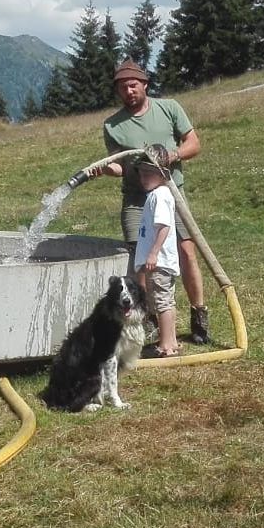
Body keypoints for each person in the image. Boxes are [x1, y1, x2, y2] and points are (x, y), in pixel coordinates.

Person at [95, 59, 211, 345]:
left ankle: (199, 315)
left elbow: (194, 144)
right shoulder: (112, 125)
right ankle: (152, 321)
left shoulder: (169, 108)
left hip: (171, 193)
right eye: (123, 88)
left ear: (145, 85)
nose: (129, 91)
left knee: (187, 252)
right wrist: (107, 169)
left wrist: (171, 156)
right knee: (140, 260)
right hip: (136, 199)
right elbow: (120, 166)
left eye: (133, 85)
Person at [133, 153, 180, 356]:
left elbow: (163, 226)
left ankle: (166, 346)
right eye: (141, 173)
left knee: (162, 302)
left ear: (162, 175)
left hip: (159, 261)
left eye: (149, 174)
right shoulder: (156, 194)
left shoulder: (160, 195)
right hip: (158, 261)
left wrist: (153, 254)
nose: (143, 178)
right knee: (164, 300)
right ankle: (172, 341)